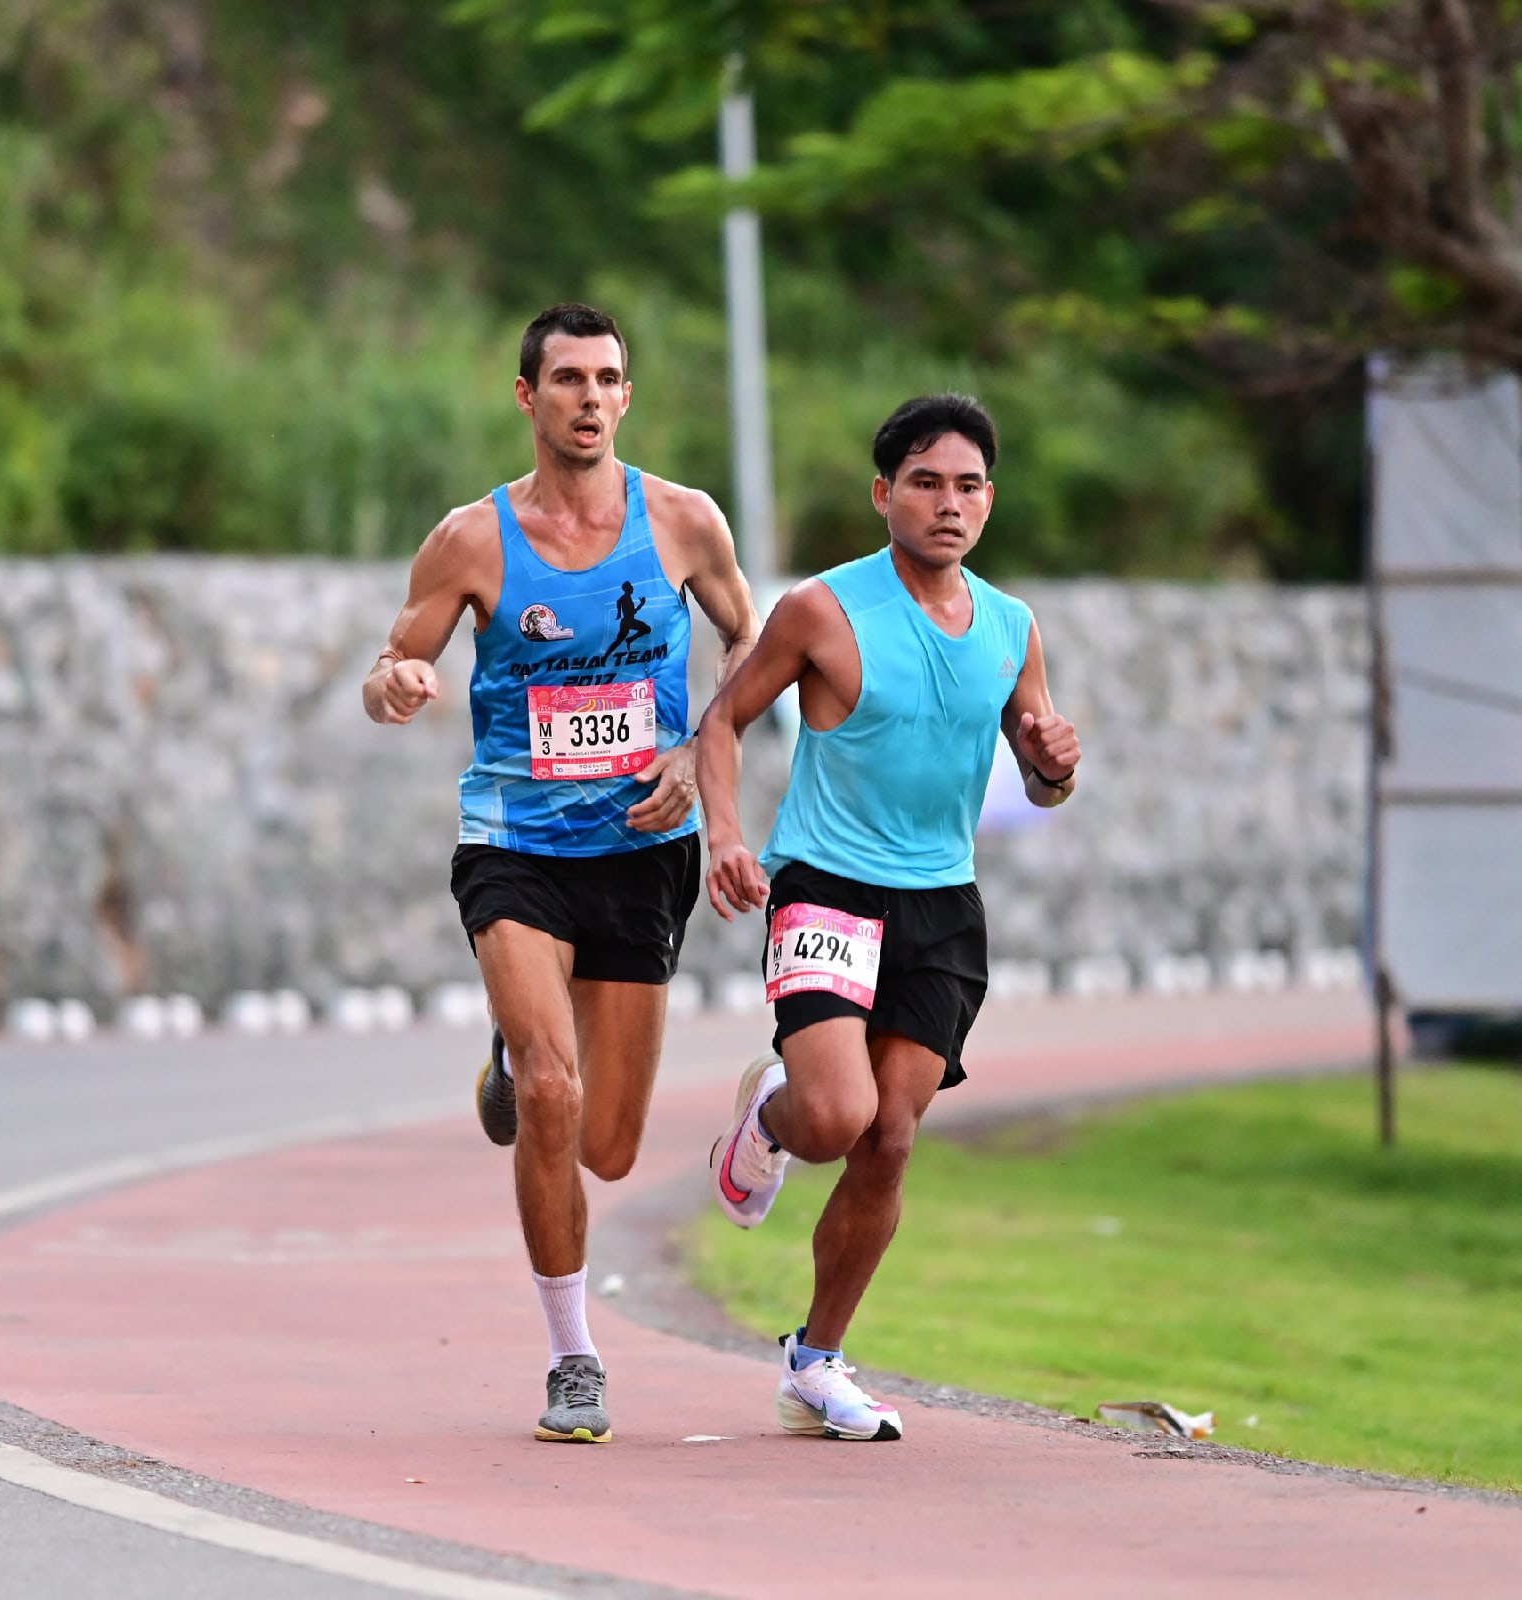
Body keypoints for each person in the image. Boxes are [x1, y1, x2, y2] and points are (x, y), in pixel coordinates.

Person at [363, 302, 759, 1444]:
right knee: (552, 1093)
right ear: (526, 396)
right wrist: (392, 686)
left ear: (627, 398)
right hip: (514, 844)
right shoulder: (472, 539)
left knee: (608, 1144)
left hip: (642, 848)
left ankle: (515, 1046)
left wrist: (697, 746)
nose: (590, 397)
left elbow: (747, 640)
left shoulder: (683, 522)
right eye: (568, 378)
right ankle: (572, 1356)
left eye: (609, 378)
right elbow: (396, 660)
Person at [694, 392, 1080, 1443]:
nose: (947, 504)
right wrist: (725, 834)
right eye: (925, 482)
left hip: (942, 907)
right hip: (826, 883)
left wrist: (1050, 774)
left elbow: (1039, 772)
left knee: (891, 1138)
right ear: (883, 494)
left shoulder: (1011, 628)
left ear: (989, 501)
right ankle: (771, 1110)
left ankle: (814, 1364)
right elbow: (722, 721)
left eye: (966, 486)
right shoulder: (823, 608)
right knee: (833, 1120)